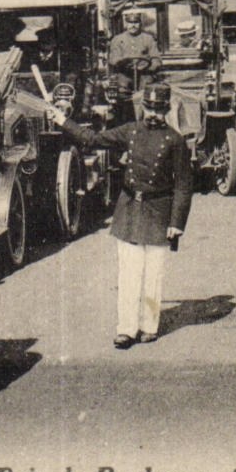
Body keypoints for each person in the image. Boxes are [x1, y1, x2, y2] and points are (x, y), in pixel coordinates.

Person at [50, 82, 191, 348]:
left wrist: (177, 223)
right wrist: (63, 121)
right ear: (142, 107)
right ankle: (126, 329)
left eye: (158, 110)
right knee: (128, 273)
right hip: (129, 210)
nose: (152, 115)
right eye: (149, 108)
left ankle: (149, 325)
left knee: (154, 273)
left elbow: (183, 185)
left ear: (166, 110)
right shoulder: (131, 132)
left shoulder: (175, 141)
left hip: (159, 211)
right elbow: (91, 139)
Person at [107, 8, 161, 92]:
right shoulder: (117, 39)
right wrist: (123, 62)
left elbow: (156, 58)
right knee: (121, 87)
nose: (133, 25)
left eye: (136, 22)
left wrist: (151, 67)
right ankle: (123, 104)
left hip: (144, 73)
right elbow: (113, 58)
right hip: (125, 73)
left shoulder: (148, 38)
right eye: (130, 22)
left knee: (148, 88)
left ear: (140, 23)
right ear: (126, 24)